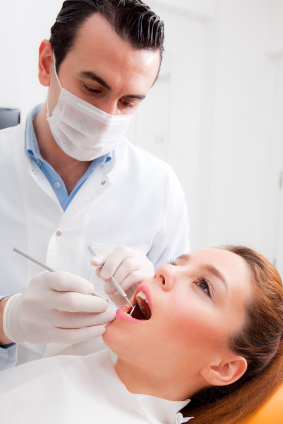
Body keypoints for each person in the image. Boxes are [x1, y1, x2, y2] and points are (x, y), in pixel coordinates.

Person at [0, 0, 190, 368]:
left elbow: (175, 348)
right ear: (46, 64)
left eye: (129, 102)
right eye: (92, 89)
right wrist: (7, 318)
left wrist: (151, 303)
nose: (107, 118)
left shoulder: (160, 187)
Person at [0, 246, 282, 424]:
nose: (164, 269)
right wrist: (6, 319)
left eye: (204, 286)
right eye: (176, 262)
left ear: (223, 367)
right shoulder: (81, 347)